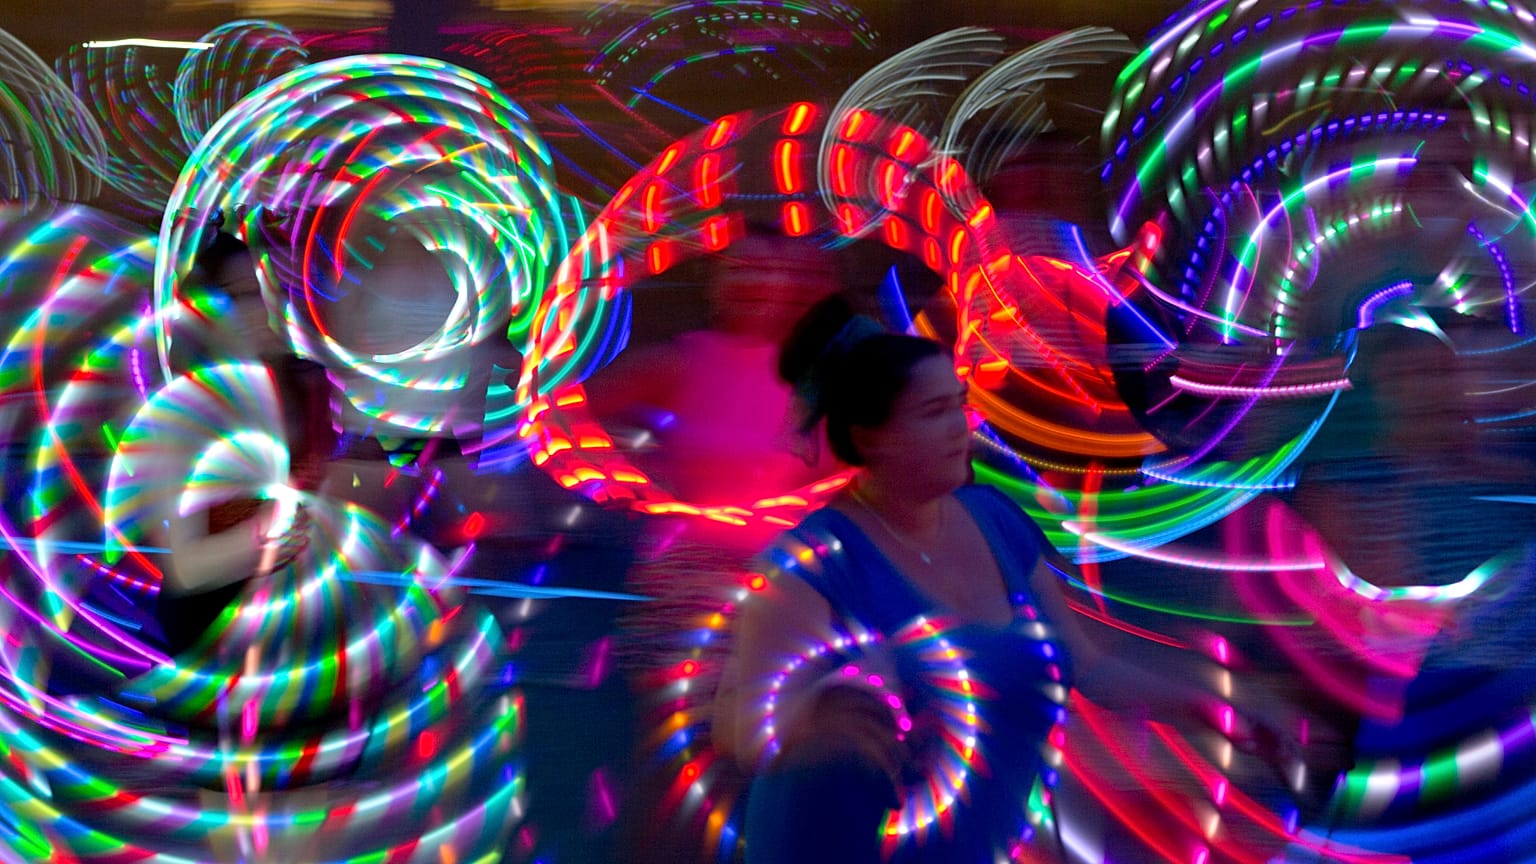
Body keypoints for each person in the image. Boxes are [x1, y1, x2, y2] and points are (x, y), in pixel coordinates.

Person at [711, 295, 1309, 863]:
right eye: (934, 412)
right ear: (871, 438)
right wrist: (826, 713)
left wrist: (1216, 706)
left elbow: (1091, 667)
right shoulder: (815, 563)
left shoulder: (994, 517)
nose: (961, 427)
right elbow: (744, 733)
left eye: (959, 403)